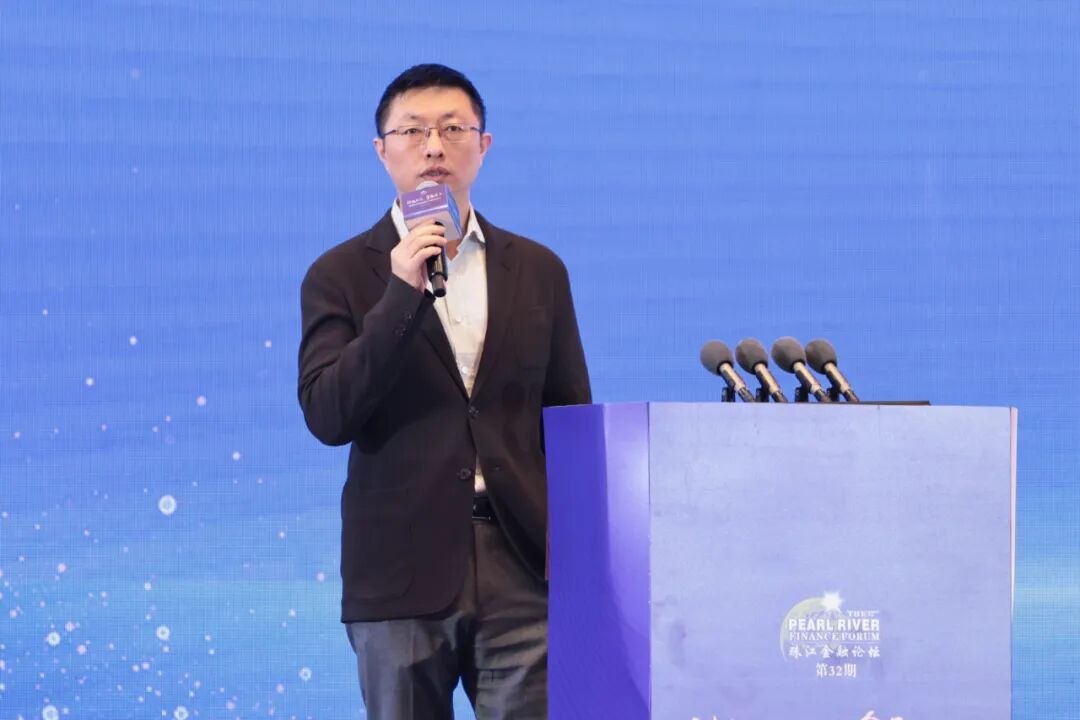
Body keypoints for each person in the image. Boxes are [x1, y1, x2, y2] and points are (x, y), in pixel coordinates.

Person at [297, 63, 591, 719]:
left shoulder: (537, 269)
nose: (434, 147)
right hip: (399, 568)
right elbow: (328, 413)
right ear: (382, 151)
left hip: (523, 564)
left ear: (483, 145)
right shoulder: (340, 274)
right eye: (413, 131)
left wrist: (578, 560)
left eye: (453, 129)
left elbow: (570, 420)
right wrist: (401, 296)